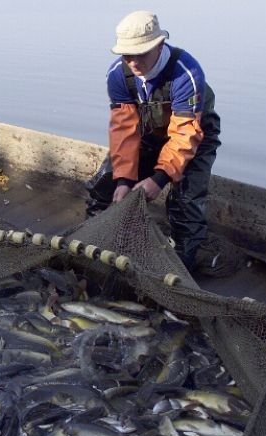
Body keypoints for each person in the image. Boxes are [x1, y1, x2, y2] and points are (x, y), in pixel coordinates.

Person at [86, 10, 221, 272]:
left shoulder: (186, 73)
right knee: (105, 182)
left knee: (185, 204)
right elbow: (124, 131)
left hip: (194, 137)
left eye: (141, 54)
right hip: (149, 133)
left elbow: (184, 136)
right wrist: (124, 180)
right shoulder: (117, 75)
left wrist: (159, 179)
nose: (133, 62)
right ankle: (96, 243)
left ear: (159, 45)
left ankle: (179, 268)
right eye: (127, 55)